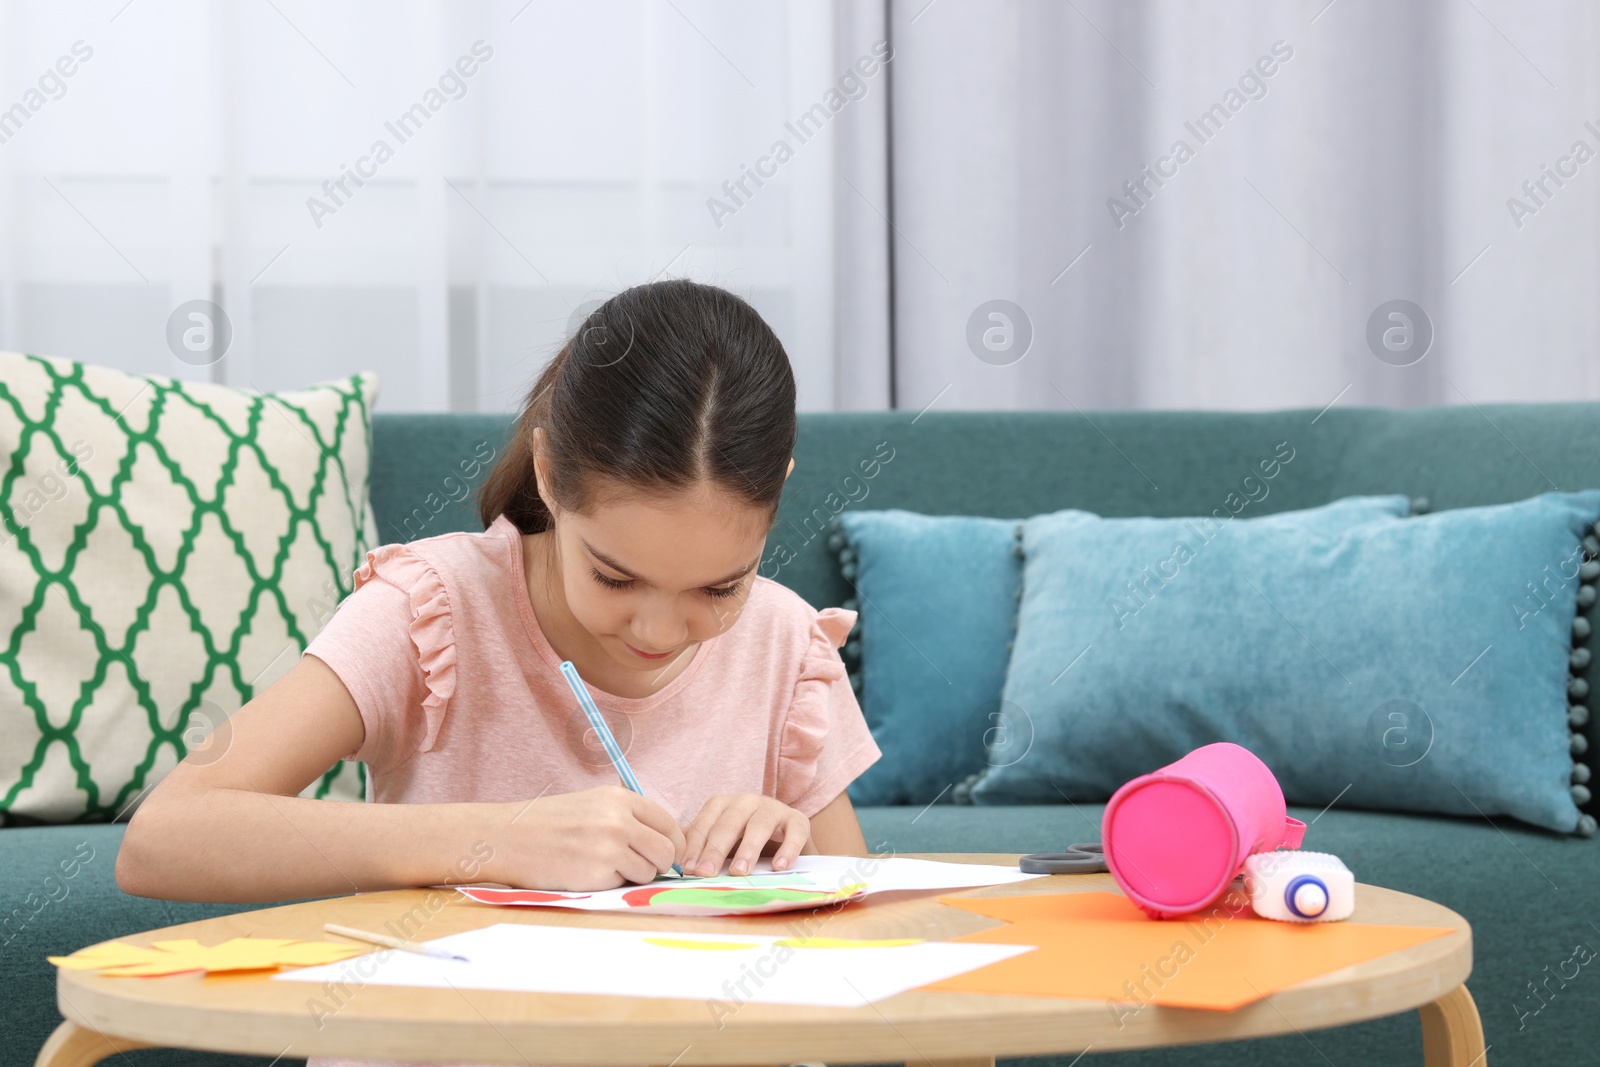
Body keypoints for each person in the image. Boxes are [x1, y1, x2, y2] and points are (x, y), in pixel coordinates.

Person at [116, 278, 882, 1067]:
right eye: (615, 577)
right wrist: (498, 837)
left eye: (720, 587)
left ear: (778, 493)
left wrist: (791, 859)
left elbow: (864, 952)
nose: (657, 629)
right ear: (549, 473)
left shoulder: (785, 639)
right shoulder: (432, 609)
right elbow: (166, 836)